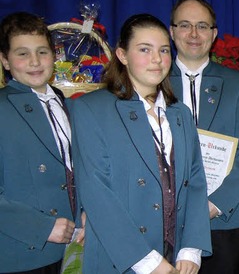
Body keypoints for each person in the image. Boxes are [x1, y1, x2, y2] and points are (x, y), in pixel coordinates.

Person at [71, 14, 211, 274]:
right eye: (145, 50)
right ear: (122, 55)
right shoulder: (91, 109)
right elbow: (96, 193)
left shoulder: (179, 113)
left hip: (176, 254)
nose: (157, 59)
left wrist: (192, 247)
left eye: (164, 50)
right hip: (124, 257)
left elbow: (195, 182)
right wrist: (148, 261)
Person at [168, 0, 239, 274]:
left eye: (202, 26)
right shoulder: (153, 81)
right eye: (185, 25)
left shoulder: (238, 84)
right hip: (165, 220)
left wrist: (216, 204)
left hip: (221, 220)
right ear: (171, 32)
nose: (194, 34)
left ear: (214, 33)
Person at [0, 11, 78, 274]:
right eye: (22, 53)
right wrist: (42, 227)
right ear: (5, 61)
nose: (35, 61)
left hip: (72, 246)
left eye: (42, 52)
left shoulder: (63, 102)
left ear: (54, 56)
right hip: (23, 252)